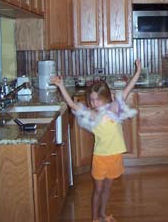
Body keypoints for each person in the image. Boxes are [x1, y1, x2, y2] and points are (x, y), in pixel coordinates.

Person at [51, 59, 142, 222]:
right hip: (100, 157)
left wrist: (138, 72)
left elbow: (128, 88)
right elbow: (72, 105)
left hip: (115, 156)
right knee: (98, 189)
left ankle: (102, 214)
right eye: (91, 100)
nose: (94, 103)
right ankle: (94, 218)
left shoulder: (115, 108)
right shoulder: (92, 115)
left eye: (97, 99)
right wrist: (61, 86)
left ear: (106, 97)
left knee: (108, 188)